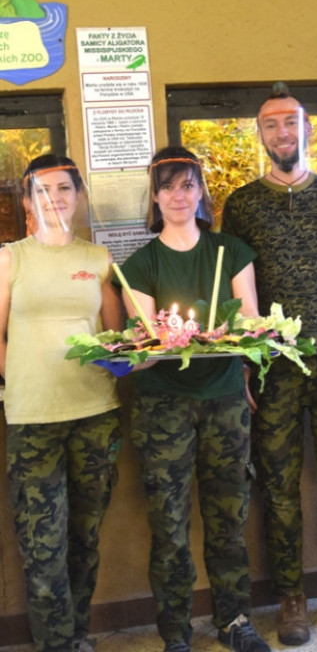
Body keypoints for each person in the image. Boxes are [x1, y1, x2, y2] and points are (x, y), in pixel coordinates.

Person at [222, 84, 317, 645]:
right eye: (270, 124)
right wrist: (245, 360)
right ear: (260, 134)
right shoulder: (241, 204)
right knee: (278, 487)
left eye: (290, 121)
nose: (282, 132)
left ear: (306, 128)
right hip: (274, 366)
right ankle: (291, 598)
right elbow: (233, 288)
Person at [118, 146, 270, 652]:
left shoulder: (231, 251)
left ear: (201, 191)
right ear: (154, 197)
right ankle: (176, 633)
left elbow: (249, 324)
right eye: (167, 186)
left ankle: (235, 620)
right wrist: (141, 352)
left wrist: (242, 341)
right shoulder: (141, 264)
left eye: (187, 185)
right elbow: (144, 347)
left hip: (225, 400)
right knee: (169, 524)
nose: (178, 196)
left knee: (229, 518)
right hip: (162, 407)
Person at [0, 154, 122, 652]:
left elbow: (115, 339)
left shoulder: (98, 258)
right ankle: (56, 645)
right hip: (33, 419)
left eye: (64, 188)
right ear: (28, 201)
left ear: (78, 196)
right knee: (41, 544)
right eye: (43, 190)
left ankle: (77, 636)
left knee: (84, 537)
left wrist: (152, 353)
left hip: (95, 414)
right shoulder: (10, 258)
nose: (54, 198)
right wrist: (22, 377)